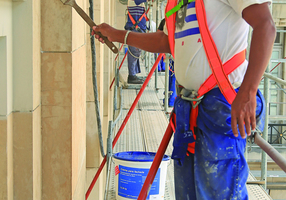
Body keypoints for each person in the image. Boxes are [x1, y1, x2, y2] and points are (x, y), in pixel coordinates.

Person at [92, 0, 276, 199]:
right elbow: (166, 42)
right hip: (189, 109)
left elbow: (265, 25)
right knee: (187, 192)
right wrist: (119, 35)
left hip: (221, 105)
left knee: (220, 192)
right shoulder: (176, 2)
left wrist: (248, 92)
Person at [124, 0, 148, 84]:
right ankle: (131, 76)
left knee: (136, 53)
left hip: (136, 28)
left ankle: (133, 74)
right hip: (135, 29)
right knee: (134, 52)